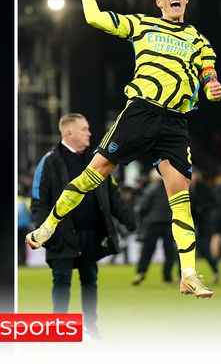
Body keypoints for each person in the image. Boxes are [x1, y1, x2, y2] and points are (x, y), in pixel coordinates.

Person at [27, 0, 221, 298]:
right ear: (158, 1)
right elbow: (94, 18)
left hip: (175, 122)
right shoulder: (143, 25)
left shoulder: (199, 41)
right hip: (141, 113)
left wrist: (213, 87)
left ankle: (189, 274)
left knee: (181, 197)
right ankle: (49, 226)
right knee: (94, 174)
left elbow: (209, 74)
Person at [31, 113, 135, 339]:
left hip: (91, 234)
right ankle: (59, 330)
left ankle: (90, 328)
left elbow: (112, 192)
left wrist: (129, 219)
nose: (89, 133)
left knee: (90, 282)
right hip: (62, 235)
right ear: (69, 132)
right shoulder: (49, 161)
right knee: (62, 283)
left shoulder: (96, 159)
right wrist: (43, 231)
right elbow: (39, 199)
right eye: (84, 129)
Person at [132, 169, 177, 285]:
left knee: (147, 250)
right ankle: (167, 277)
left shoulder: (151, 188)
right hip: (169, 222)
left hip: (153, 223)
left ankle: (141, 272)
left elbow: (142, 207)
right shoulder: (172, 188)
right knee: (169, 252)